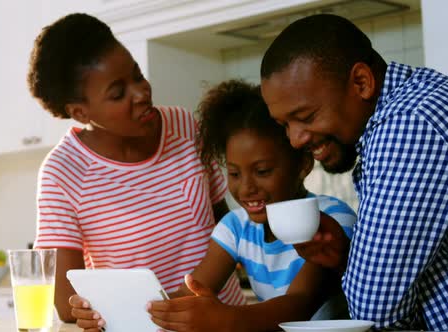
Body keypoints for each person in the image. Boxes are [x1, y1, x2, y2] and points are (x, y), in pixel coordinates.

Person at [26, 13, 246, 325]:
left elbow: (228, 228)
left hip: (225, 324)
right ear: (80, 112)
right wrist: (94, 312)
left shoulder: (184, 125)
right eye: (118, 94)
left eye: (137, 75)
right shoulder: (62, 172)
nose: (141, 93)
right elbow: (64, 301)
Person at [260, 14, 448, 331]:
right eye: (285, 126)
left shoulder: (408, 124)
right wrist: (347, 256)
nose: (295, 140)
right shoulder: (420, 102)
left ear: (362, 82)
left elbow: (372, 311)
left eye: (306, 116)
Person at [144, 80, 356, 332]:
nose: (245, 188)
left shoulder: (332, 218)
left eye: (262, 171)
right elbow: (191, 291)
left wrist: (224, 319)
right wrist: (141, 308)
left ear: (303, 164)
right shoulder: (236, 227)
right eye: (234, 173)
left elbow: (300, 304)